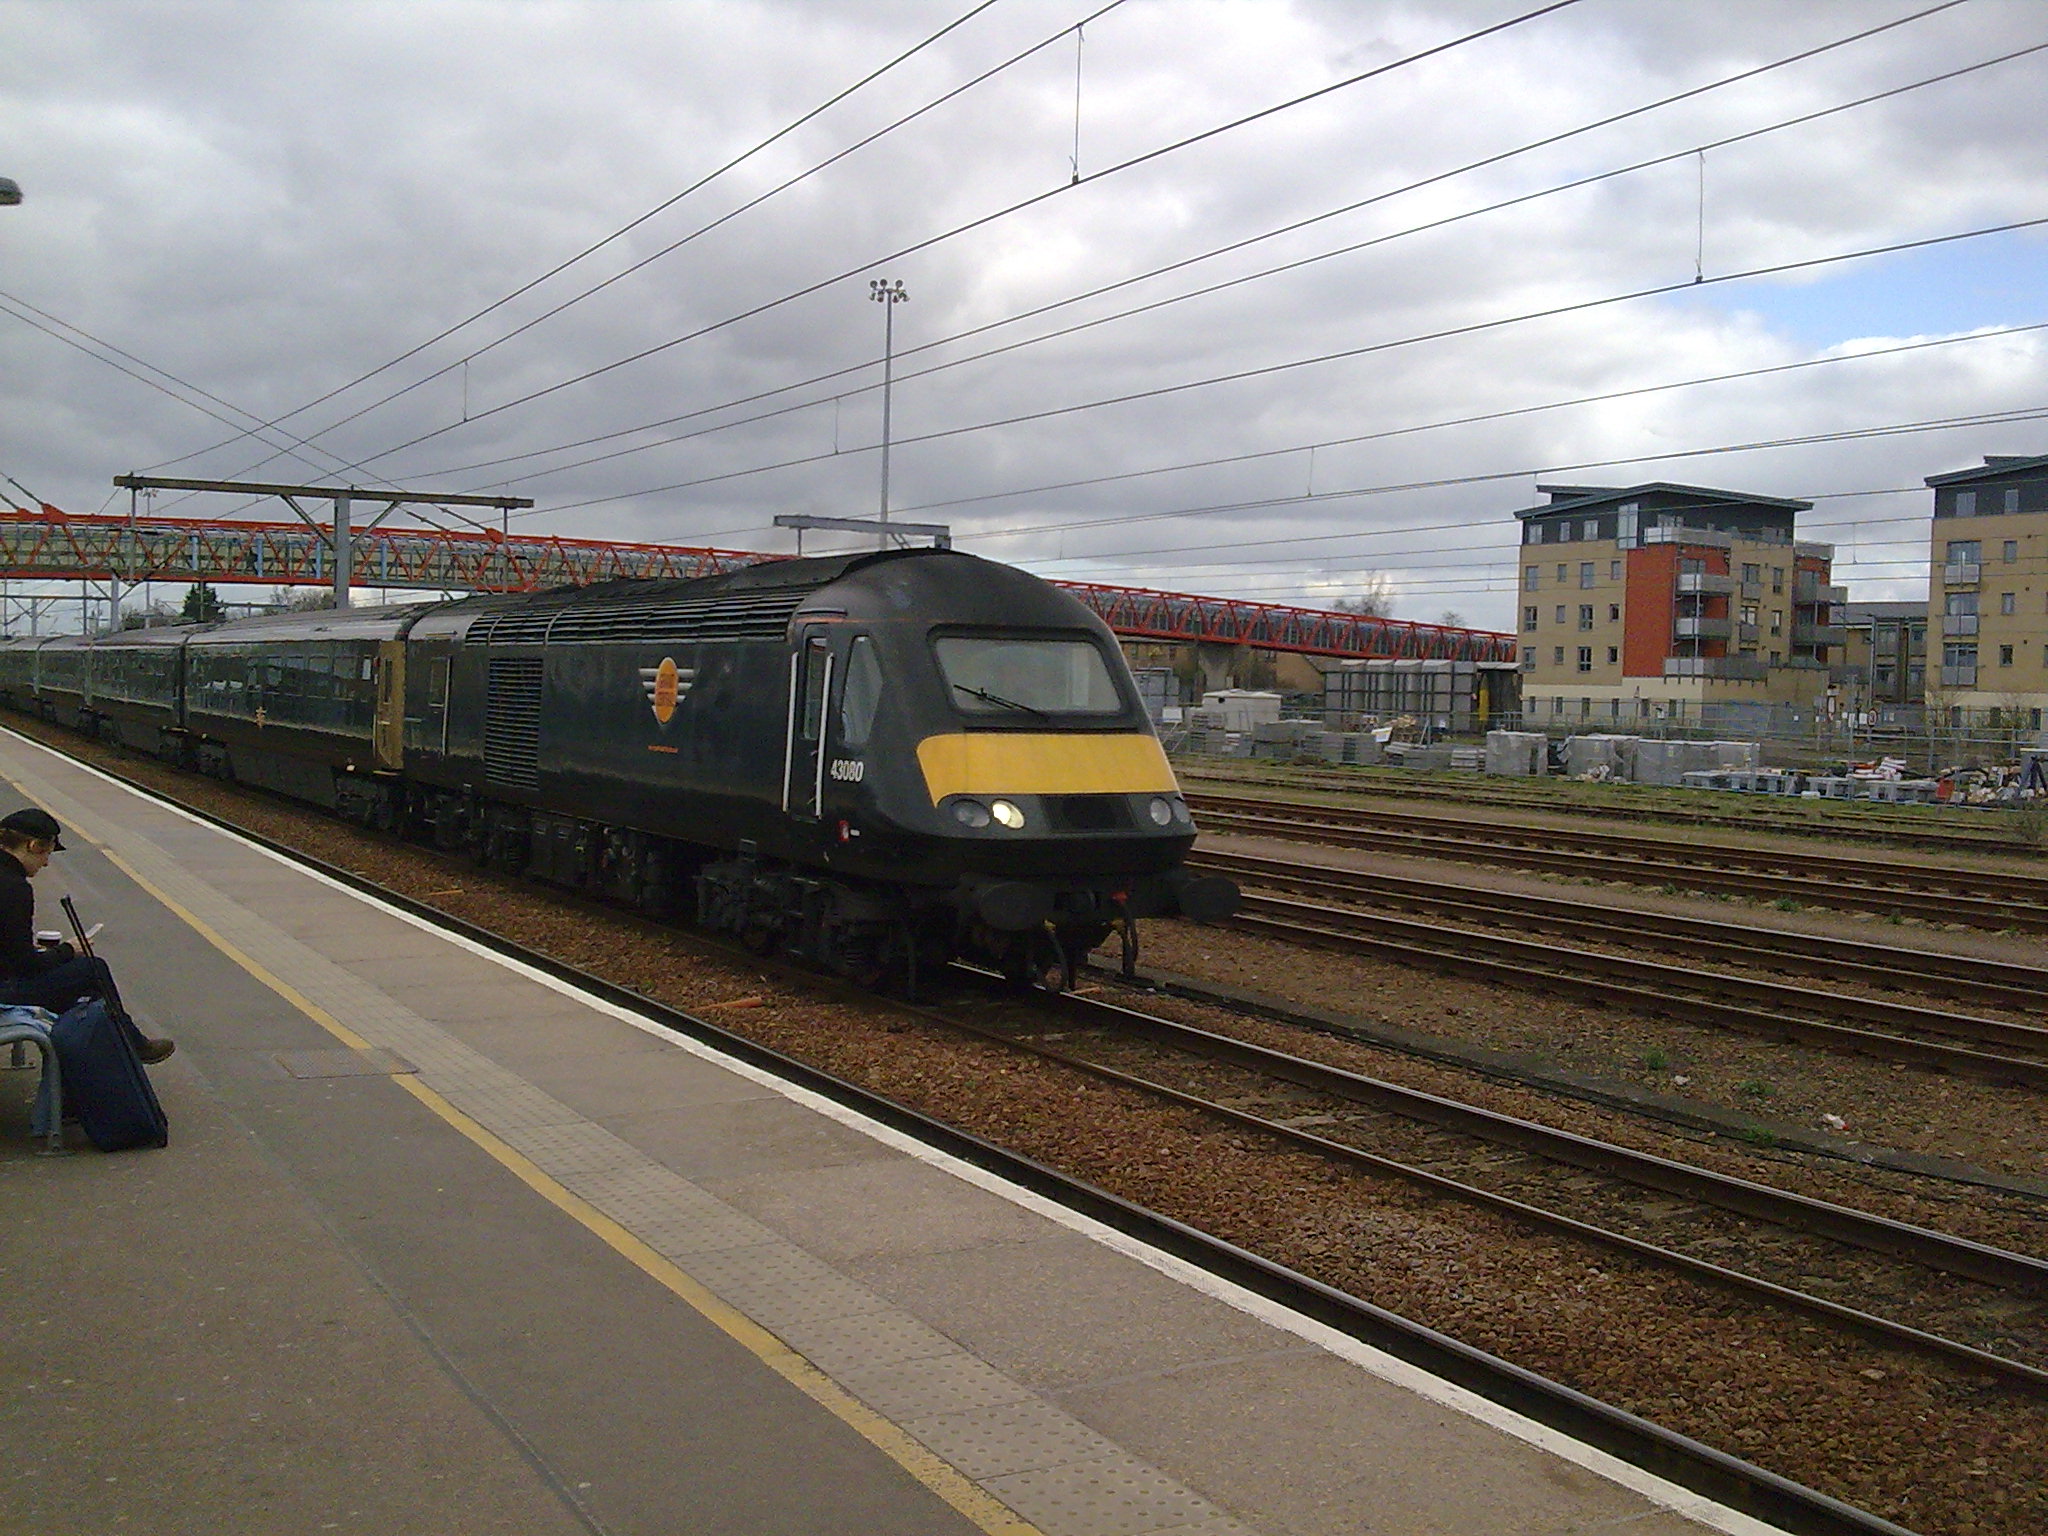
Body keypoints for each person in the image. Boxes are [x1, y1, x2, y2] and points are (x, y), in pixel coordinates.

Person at [0, 807, 173, 1063]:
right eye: (47, 853)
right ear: (33, 845)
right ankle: (129, 1049)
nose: (46, 863)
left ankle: (117, 1051)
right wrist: (67, 951)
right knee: (91, 969)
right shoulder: (14, 889)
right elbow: (25, 966)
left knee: (79, 984)